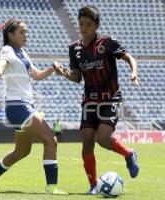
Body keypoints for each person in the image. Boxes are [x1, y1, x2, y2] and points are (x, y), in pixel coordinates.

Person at [54, 6, 140, 194]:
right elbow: (77, 77)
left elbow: (129, 57)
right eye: (81, 24)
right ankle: (93, 186)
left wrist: (134, 72)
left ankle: (129, 154)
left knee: (102, 138)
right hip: (90, 101)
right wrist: (64, 74)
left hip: (110, 99)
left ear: (96, 25)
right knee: (86, 143)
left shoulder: (107, 43)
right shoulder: (74, 49)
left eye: (89, 25)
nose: (84, 28)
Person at [0, 18, 67, 195]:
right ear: (10, 35)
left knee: (22, 151)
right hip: (19, 108)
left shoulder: (22, 53)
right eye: (22, 32)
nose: (25, 35)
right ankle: (52, 188)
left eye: (26, 32)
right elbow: (2, 63)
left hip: (20, 108)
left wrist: (52, 68)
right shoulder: (7, 50)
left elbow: (37, 75)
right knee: (51, 140)